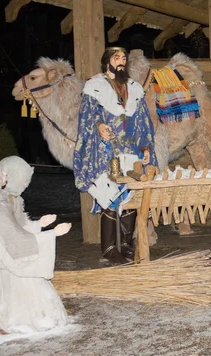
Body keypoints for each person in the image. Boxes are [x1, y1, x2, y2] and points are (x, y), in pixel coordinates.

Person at [73, 47, 156, 265]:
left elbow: (144, 123)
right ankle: (109, 249)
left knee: (129, 196)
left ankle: (127, 246)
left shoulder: (134, 88)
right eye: (116, 58)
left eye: (123, 58)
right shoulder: (94, 86)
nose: (121, 61)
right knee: (109, 196)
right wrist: (99, 124)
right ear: (106, 61)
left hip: (131, 150)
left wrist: (146, 146)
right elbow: (86, 116)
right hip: (106, 150)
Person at [0, 155, 70, 333]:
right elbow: (16, 246)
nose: (3, 176)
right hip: (11, 273)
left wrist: (39, 224)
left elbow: (15, 233)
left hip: (6, 268)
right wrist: (52, 234)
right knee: (36, 313)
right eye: (0, 173)